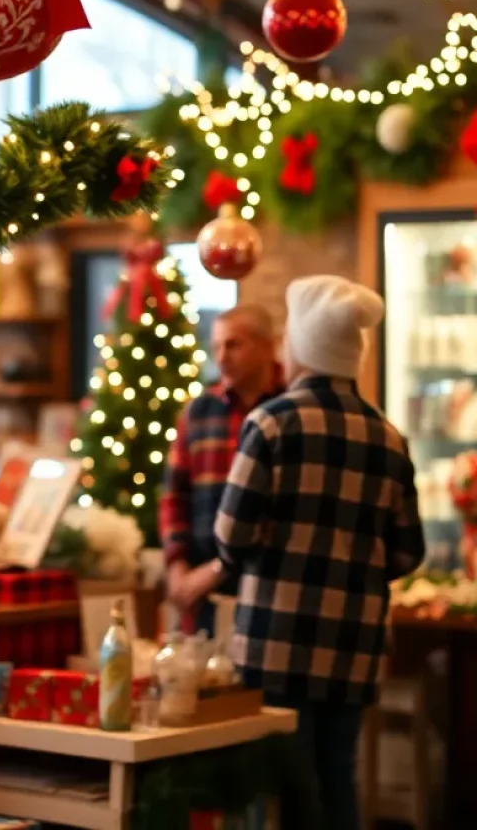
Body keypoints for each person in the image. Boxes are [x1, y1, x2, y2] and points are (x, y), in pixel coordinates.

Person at [206, 275, 425, 830]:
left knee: (279, 789)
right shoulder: (389, 437)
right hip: (354, 646)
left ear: (301, 346)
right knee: (337, 778)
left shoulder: (271, 423)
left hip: (275, 645)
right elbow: (408, 552)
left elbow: (230, 537)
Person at [158, 305, 283, 631]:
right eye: (216, 347)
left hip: (269, 592)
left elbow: (280, 510)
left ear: (268, 346)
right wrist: (176, 566)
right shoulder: (200, 411)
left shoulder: (290, 408)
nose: (222, 357)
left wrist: (217, 570)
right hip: (201, 595)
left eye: (233, 345)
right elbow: (174, 493)